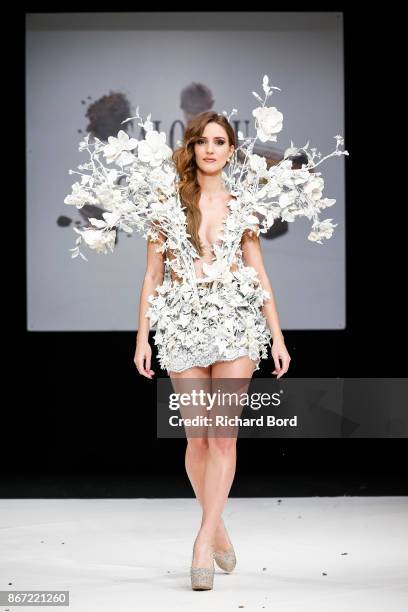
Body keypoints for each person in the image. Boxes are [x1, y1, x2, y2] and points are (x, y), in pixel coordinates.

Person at [134, 111, 291, 590]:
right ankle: (217, 523)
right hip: (181, 324)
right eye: (202, 141)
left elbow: (258, 269)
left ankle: (202, 543)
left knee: (223, 437)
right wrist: (142, 336)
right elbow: (152, 276)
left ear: (231, 149)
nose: (210, 149)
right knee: (196, 440)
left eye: (219, 141)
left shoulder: (243, 202)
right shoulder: (167, 202)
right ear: (191, 147)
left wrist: (277, 335)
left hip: (237, 323)